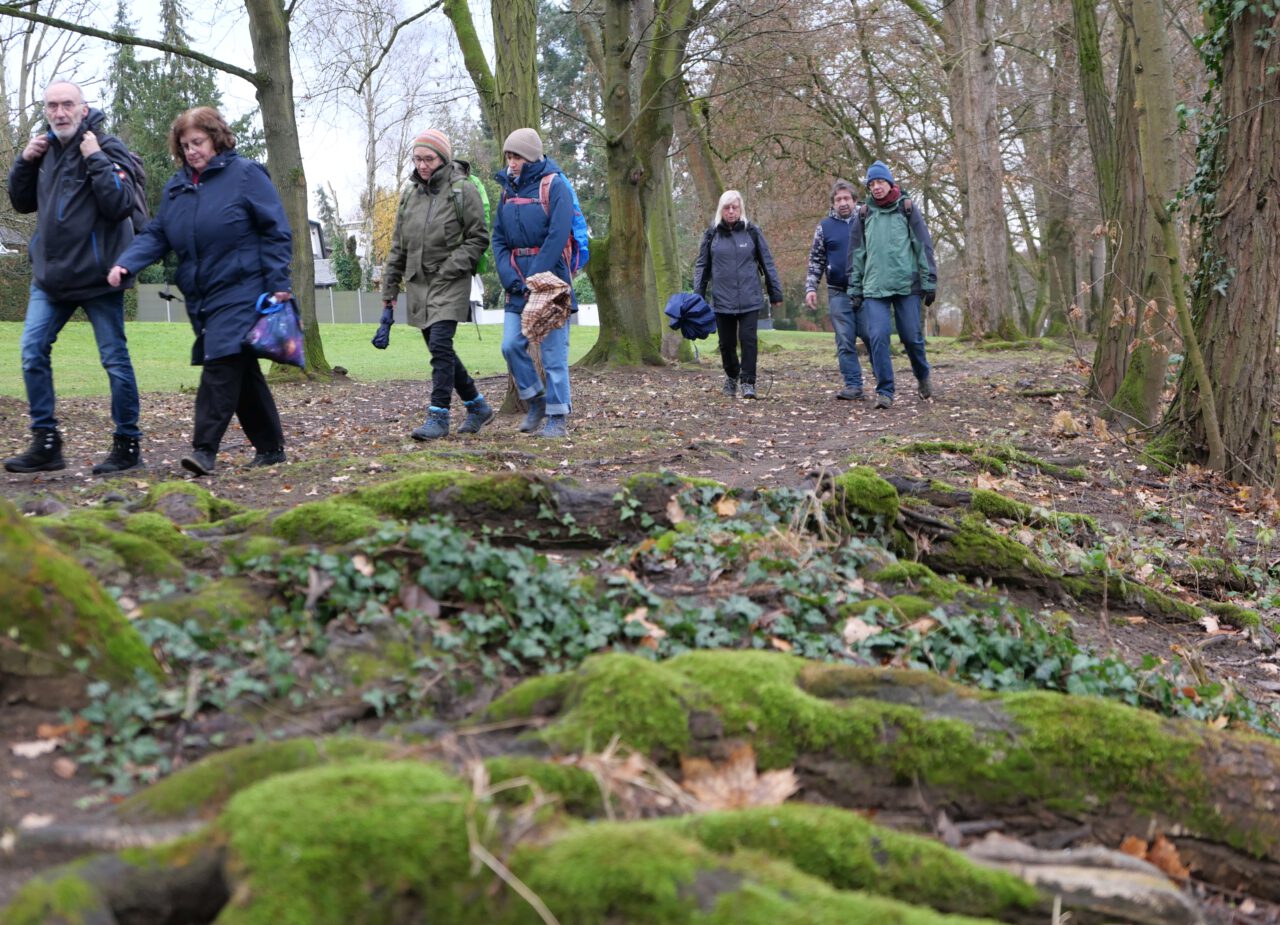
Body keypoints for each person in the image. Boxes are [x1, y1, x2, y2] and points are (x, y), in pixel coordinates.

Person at [107, 107, 292, 476]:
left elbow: (275, 230)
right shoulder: (177, 188)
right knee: (241, 370)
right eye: (185, 144)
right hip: (203, 296)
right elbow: (159, 232)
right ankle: (271, 448)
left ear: (216, 138)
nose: (191, 150)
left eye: (198, 142)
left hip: (245, 289)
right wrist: (126, 262)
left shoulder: (245, 175)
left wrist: (278, 284)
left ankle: (203, 450)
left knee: (220, 362)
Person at [4, 80, 143, 475]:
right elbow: (22, 202)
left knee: (114, 360)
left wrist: (96, 158)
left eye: (67, 104)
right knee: (32, 352)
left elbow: (120, 206)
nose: (59, 112)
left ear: (83, 108)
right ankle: (46, 444)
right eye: (52, 106)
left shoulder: (108, 146)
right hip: (51, 279)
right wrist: (24, 162)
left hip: (100, 279)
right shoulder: (44, 149)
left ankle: (127, 444)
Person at [378, 129, 492, 440]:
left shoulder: (462, 191)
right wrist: (389, 291)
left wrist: (451, 267)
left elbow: (479, 238)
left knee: (440, 345)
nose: (423, 164)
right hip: (419, 284)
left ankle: (438, 416)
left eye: (428, 158)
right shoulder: (410, 196)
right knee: (440, 350)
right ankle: (477, 405)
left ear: (443, 157)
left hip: (451, 281)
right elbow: (398, 246)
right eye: (417, 158)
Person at [492, 128, 575, 439]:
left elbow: (558, 235)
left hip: (551, 285)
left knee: (554, 356)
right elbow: (498, 239)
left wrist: (536, 279)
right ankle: (535, 400)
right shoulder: (506, 191)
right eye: (509, 156)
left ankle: (557, 418)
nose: (512, 163)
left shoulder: (555, 186)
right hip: (517, 284)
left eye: (517, 157)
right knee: (510, 344)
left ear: (532, 157)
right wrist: (509, 275)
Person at [846, 160, 937, 409]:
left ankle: (922, 375)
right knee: (877, 337)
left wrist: (929, 281)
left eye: (880, 182)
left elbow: (922, 246)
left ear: (890, 183)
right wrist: (854, 288)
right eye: (871, 183)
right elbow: (856, 253)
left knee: (911, 337)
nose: (876, 187)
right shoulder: (864, 214)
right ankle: (885, 391)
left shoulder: (907, 209)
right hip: (874, 287)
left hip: (906, 286)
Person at [692, 190, 783, 400]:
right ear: (721, 210)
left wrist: (775, 292)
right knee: (726, 343)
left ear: (740, 208)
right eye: (727, 207)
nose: (731, 211)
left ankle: (748, 382)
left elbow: (767, 263)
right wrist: (698, 294)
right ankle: (732, 376)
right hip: (722, 300)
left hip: (749, 298)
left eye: (735, 207)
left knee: (748, 340)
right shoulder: (711, 234)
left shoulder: (752, 232)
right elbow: (702, 265)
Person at [805, 179, 873, 401]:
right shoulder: (824, 227)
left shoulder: (868, 220)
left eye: (846, 198)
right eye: (838, 199)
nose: (842, 203)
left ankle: (884, 382)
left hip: (866, 290)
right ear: (832, 203)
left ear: (855, 200)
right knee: (844, 340)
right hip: (837, 291)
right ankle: (853, 385)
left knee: (872, 336)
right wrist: (811, 288)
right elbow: (816, 259)